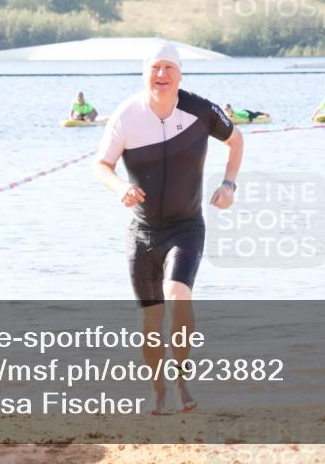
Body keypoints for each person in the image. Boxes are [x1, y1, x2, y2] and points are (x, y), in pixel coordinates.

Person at [93, 42, 244, 415]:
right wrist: (122, 188)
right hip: (143, 232)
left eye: (168, 69)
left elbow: (235, 140)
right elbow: (101, 165)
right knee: (150, 317)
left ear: (179, 74)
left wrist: (229, 184)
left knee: (178, 295)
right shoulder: (126, 115)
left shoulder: (200, 110)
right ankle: (158, 389)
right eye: (154, 68)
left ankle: (181, 379)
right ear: (145, 73)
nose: (161, 75)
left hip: (186, 226)